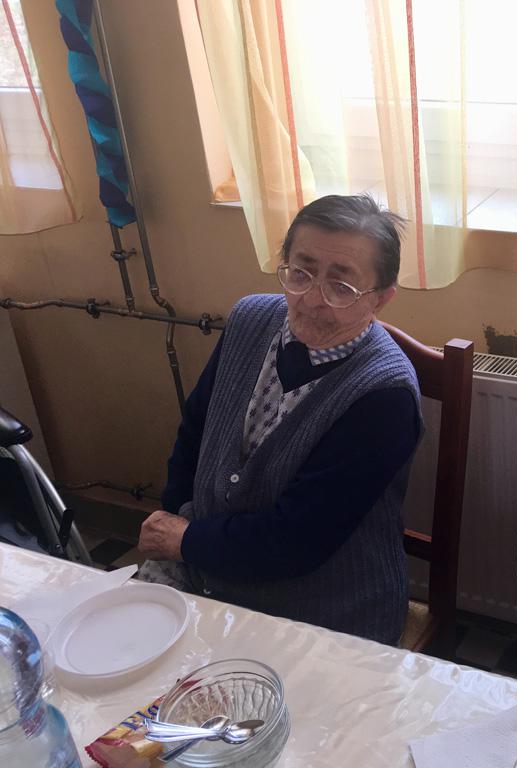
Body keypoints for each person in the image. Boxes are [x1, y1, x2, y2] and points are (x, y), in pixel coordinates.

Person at [137, 195, 420, 645]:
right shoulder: (250, 320)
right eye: (301, 273)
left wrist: (185, 541)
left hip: (323, 607)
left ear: (381, 299)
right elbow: (195, 431)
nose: (311, 300)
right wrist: (175, 518)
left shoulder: (384, 395)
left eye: (341, 287)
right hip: (205, 565)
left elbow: (299, 540)